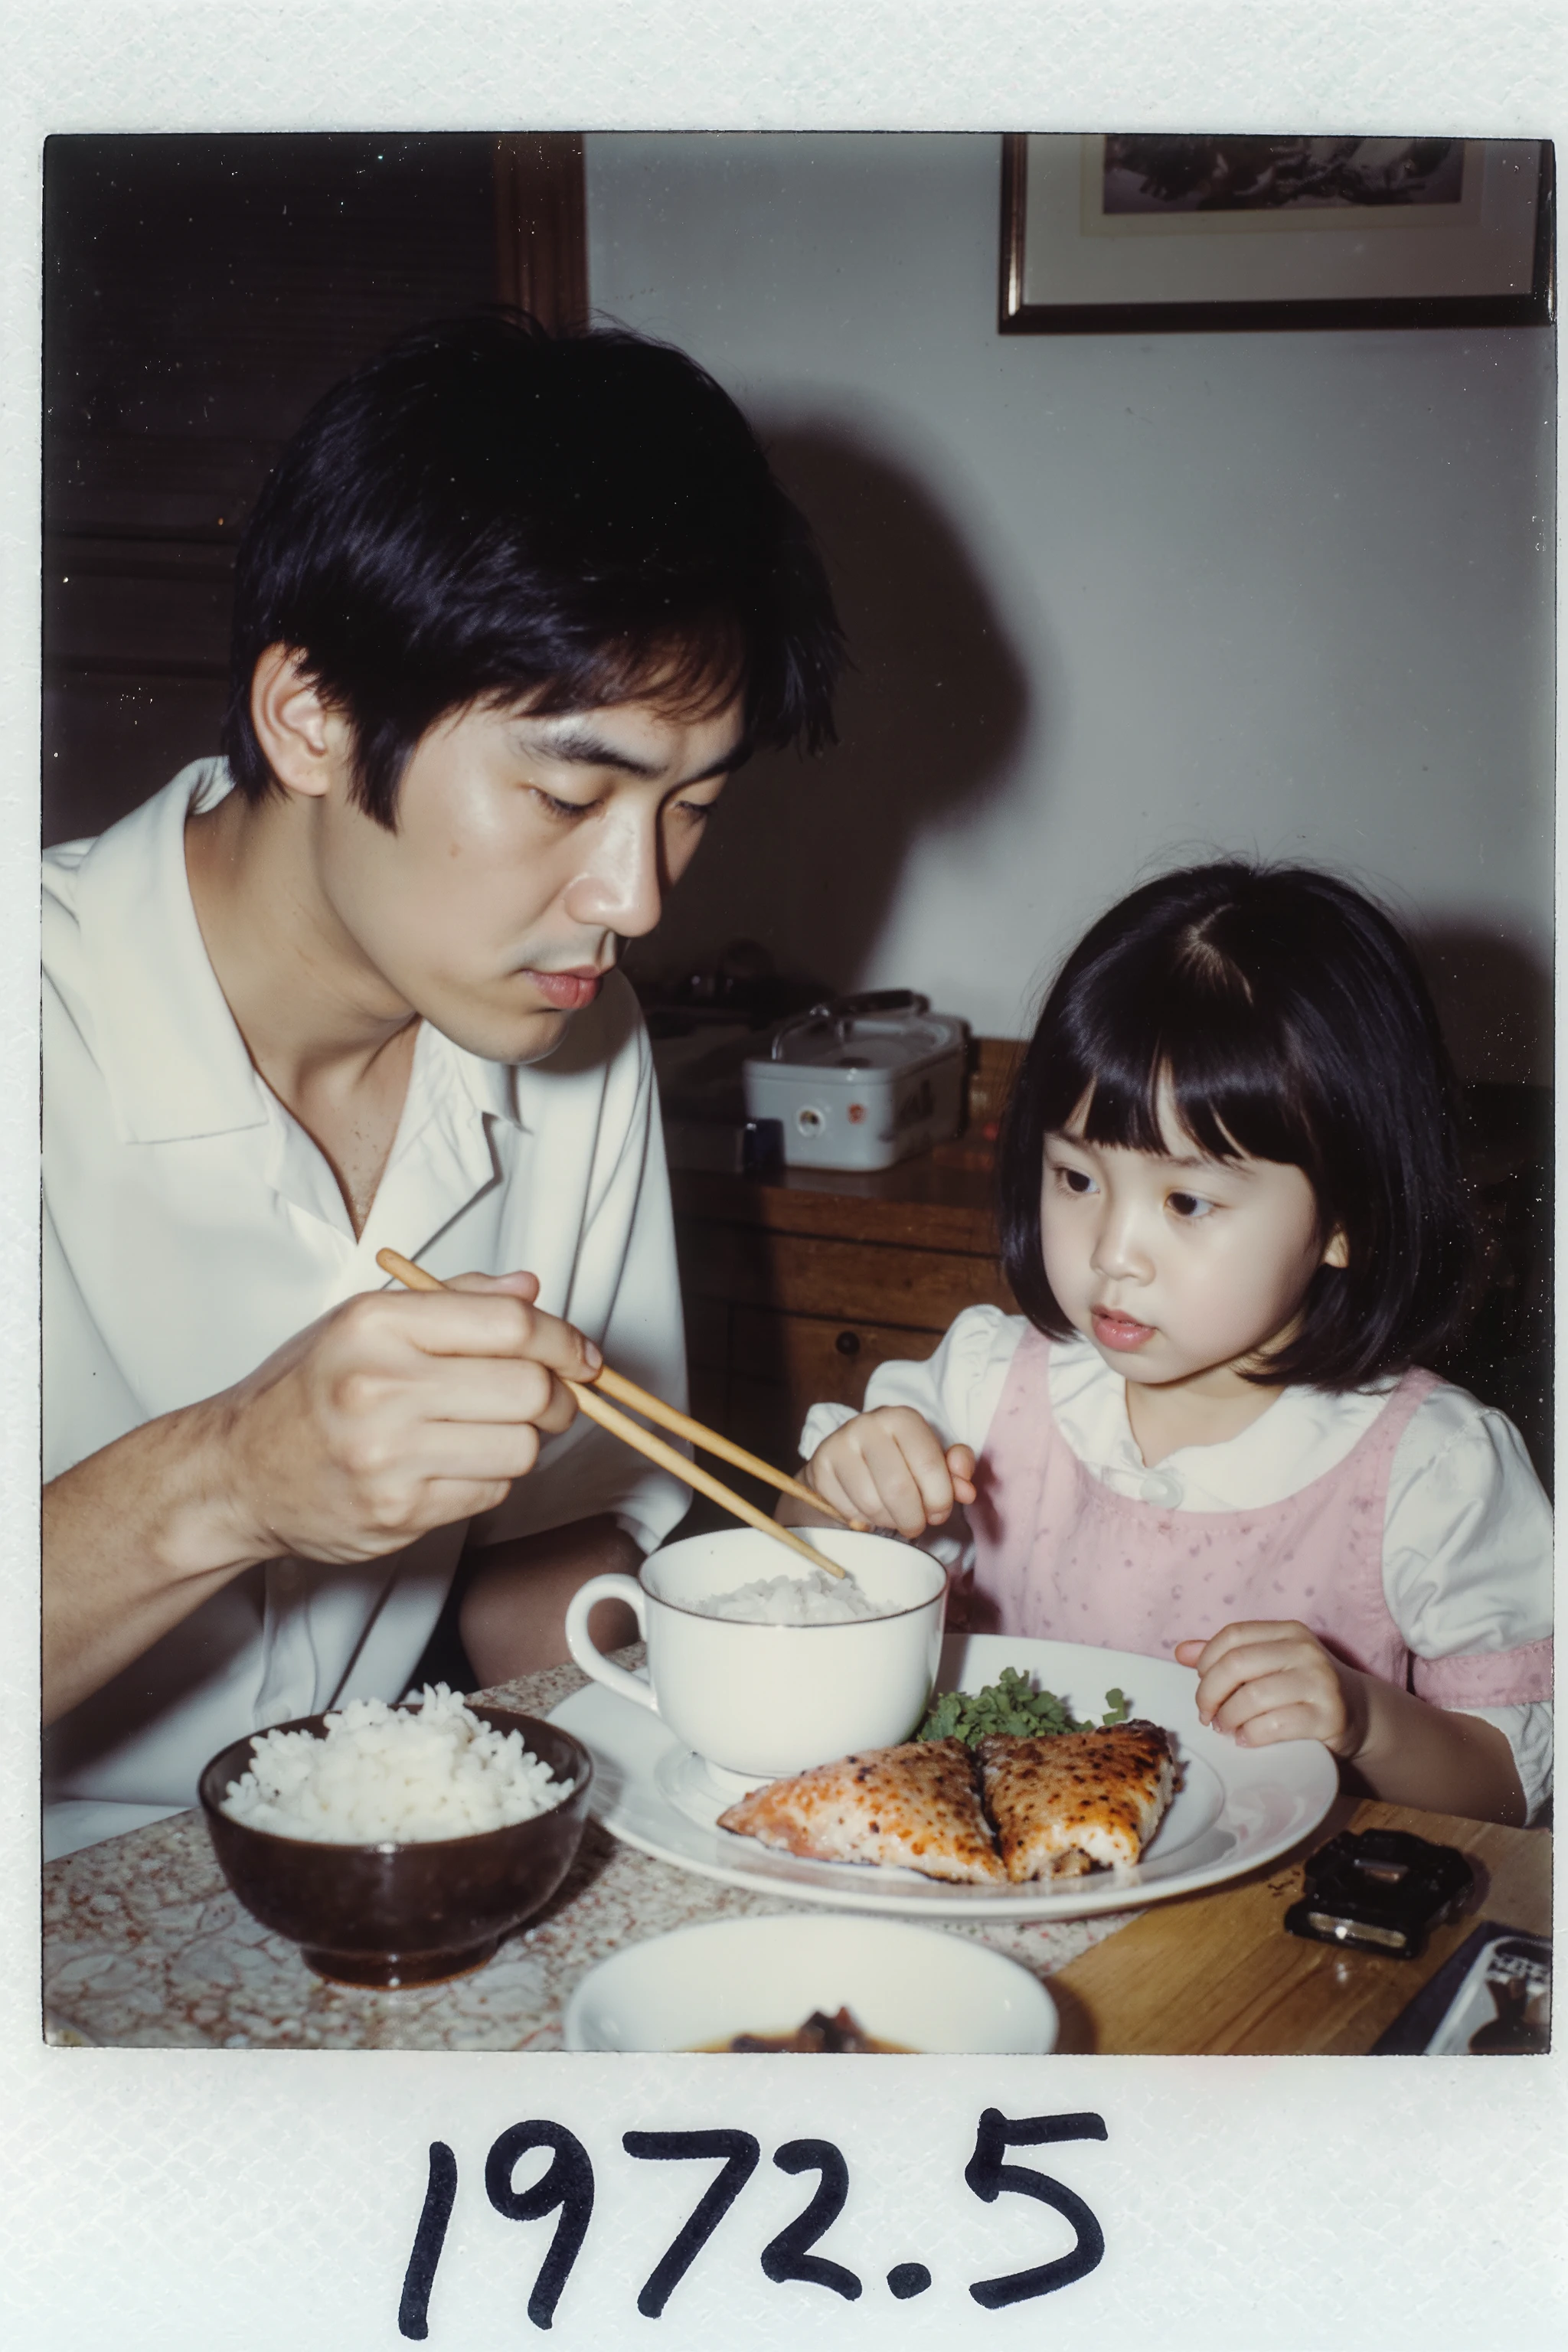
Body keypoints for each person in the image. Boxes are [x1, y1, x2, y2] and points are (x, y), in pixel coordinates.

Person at [43, 312, 843, 1858]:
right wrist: (224, 1481)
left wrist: (780, 1658)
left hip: (367, 1887)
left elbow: (536, 1575)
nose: (634, 897)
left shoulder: (572, 1035)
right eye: (566, 790)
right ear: (314, 717)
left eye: (691, 806)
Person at [789, 864, 1551, 1825]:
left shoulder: (1429, 1469)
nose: (1112, 1253)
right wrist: (835, 1491)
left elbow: (1511, 1791)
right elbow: (803, 1563)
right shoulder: (985, 1385)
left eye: (1186, 1201)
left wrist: (1365, 1721)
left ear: (1344, 1218)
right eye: (1075, 1179)